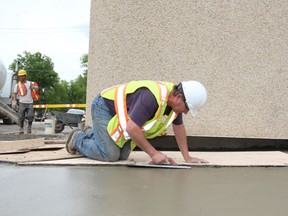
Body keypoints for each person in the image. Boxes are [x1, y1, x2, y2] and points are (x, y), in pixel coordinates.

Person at [66, 80, 208, 164]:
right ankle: (78, 138)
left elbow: (179, 128)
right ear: (178, 97)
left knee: (122, 155)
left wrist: (187, 157)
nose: (186, 112)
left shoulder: (173, 106)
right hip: (104, 106)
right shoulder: (151, 98)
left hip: (122, 115)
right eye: (188, 107)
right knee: (110, 155)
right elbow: (132, 128)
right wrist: (154, 154)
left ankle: (92, 133)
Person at [12, 69, 39, 134]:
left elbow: (37, 88)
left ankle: (29, 127)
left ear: (25, 76)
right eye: (20, 76)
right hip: (21, 103)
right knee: (21, 117)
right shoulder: (17, 85)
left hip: (30, 103)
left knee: (30, 116)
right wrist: (14, 101)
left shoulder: (30, 83)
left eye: (22, 76)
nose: (21, 77)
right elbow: (14, 93)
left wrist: (34, 88)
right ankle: (21, 129)